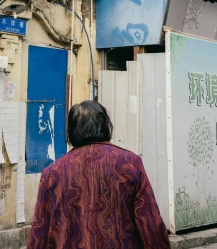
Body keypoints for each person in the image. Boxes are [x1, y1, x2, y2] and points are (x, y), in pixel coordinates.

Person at [27, 101, 170, 249]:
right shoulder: (129, 163)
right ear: (107, 127)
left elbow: (40, 232)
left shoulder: (52, 173)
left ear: (71, 132)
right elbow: (150, 224)